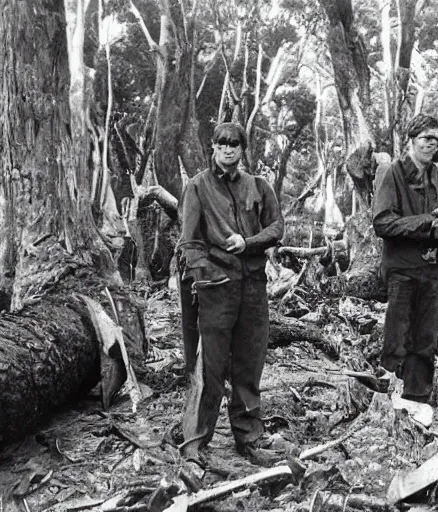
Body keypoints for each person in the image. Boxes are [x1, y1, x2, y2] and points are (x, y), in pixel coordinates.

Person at [176, 122, 286, 479]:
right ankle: (195, 443)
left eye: (235, 144)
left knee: (250, 362)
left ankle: (248, 435)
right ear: (213, 147)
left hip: (253, 286)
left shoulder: (259, 186)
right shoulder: (197, 187)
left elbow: (277, 228)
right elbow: (189, 242)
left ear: (242, 149)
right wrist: (205, 276)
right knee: (210, 367)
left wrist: (249, 243)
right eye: (222, 144)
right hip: (216, 288)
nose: (228, 149)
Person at [372, 114, 438, 427]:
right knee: (397, 334)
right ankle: (388, 401)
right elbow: (382, 222)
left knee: (426, 336)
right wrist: (426, 221)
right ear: (412, 141)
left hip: (430, 267)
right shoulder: (392, 173)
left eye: (435, 139)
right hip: (401, 268)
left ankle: (418, 401)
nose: (431, 144)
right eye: (425, 139)